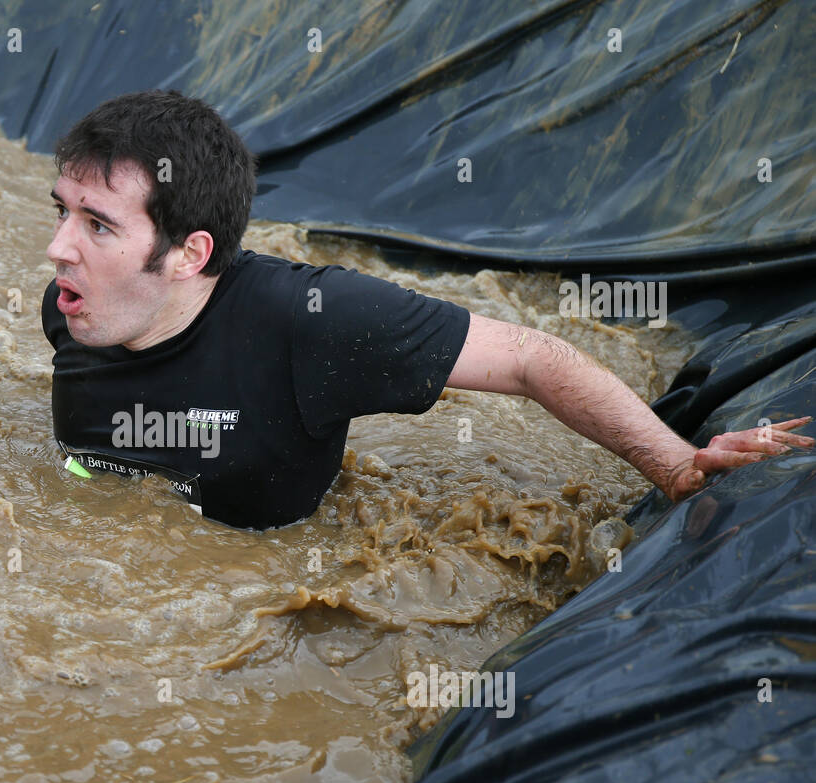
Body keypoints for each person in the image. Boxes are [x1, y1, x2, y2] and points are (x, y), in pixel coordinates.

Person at [41, 89, 811, 530]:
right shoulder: (72, 308)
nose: (58, 249)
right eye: (64, 212)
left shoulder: (311, 321)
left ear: (190, 254)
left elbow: (529, 356)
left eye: (98, 224)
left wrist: (675, 464)